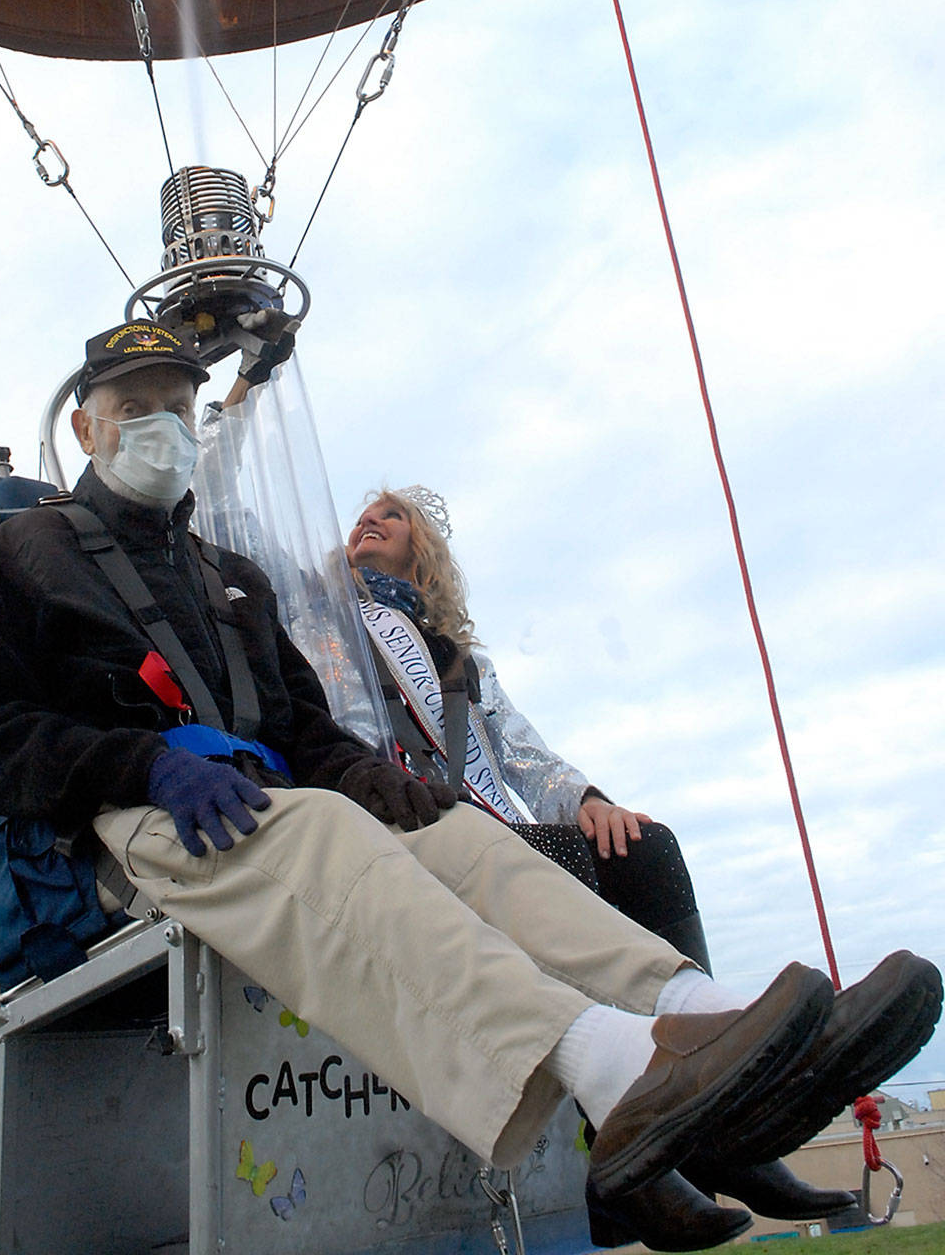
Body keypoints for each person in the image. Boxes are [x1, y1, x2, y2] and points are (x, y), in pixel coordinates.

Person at [0, 320, 941, 1253]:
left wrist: (384, 781)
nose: (159, 425)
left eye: (175, 402)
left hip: (265, 799)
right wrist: (141, 762)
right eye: (134, 405)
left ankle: (700, 1014)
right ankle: (615, 1066)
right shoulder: (27, 557)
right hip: (132, 821)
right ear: (84, 424)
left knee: (463, 839)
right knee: (322, 830)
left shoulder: (228, 577)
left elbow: (304, 730)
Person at [347, 487, 867, 1227]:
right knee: (558, 858)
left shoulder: (463, 662)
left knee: (645, 848)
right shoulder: (328, 619)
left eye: (390, 516)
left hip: (490, 823)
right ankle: (619, 1155)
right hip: (405, 821)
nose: (369, 520)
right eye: (362, 516)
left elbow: (524, 757)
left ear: (422, 553)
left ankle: (716, 1124)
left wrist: (589, 798)